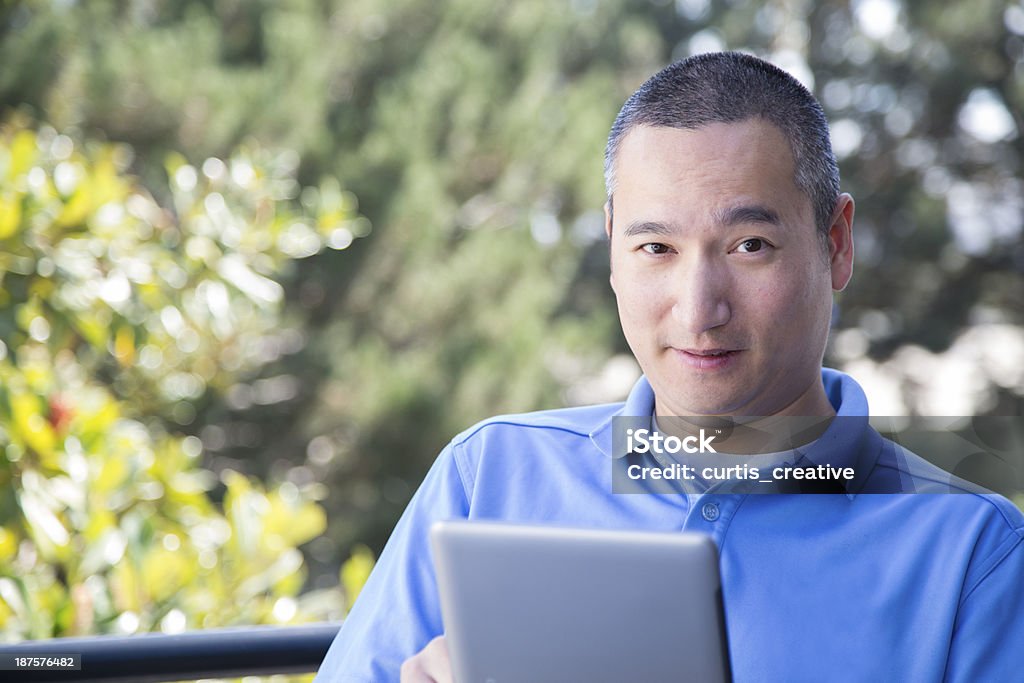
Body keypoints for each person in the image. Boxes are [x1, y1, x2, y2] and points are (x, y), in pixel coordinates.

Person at [315, 52, 1024, 682]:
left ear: (836, 244)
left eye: (750, 245)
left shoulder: (973, 554)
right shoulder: (489, 475)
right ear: (613, 248)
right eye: (656, 248)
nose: (699, 310)